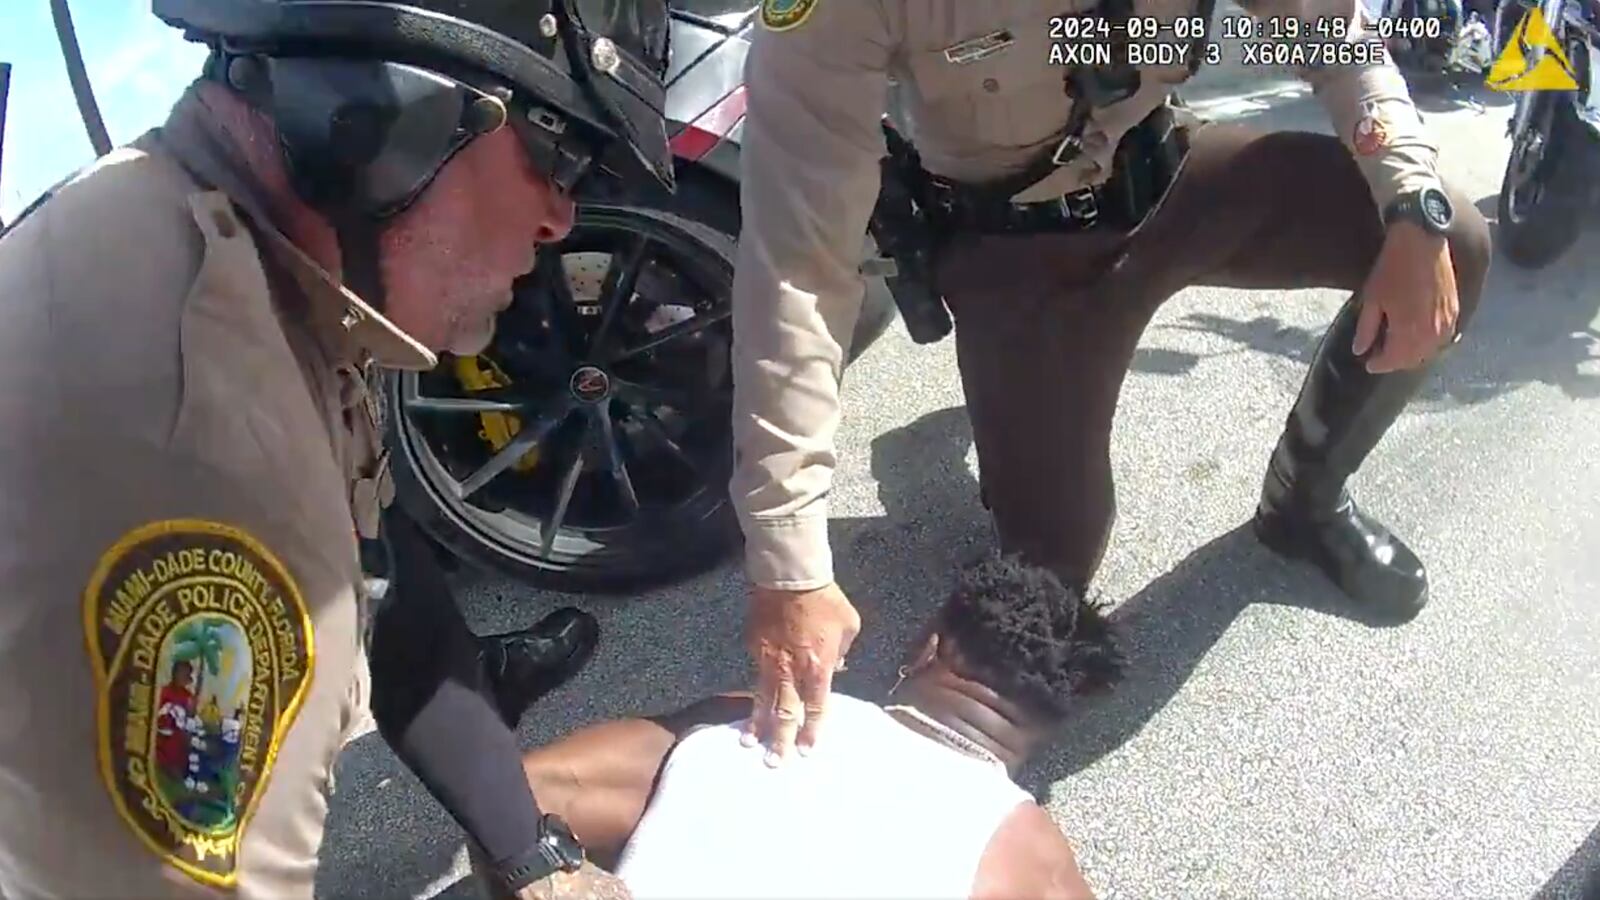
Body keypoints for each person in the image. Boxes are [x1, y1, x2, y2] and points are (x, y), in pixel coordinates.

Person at [0, 1, 677, 897]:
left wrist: (530, 859)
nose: (562, 215)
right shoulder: (214, 455)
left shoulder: (227, 243)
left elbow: (387, 568)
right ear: (385, 117)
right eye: (559, 152)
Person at [730, 0, 1492, 764]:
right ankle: (963, 441)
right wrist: (790, 563)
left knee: (1449, 239)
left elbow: (1327, 31)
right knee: (1042, 584)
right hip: (1020, 253)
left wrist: (1410, 201)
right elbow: (796, 263)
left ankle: (1304, 503)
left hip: (1172, 179)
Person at [510, 555, 1125, 899]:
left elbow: (522, 795)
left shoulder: (745, 721)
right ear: (1043, 729)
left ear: (926, 649)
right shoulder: (1034, 864)